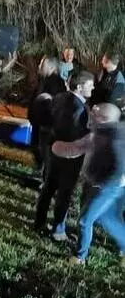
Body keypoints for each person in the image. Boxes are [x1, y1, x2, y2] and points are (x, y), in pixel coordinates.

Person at [50, 103, 125, 265]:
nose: (91, 118)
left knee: (86, 220)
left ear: (104, 119)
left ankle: (79, 257)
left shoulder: (117, 138)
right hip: (94, 183)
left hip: (109, 187)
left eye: (95, 116)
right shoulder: (95, 135)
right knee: (108, 218)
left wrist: (108, 183)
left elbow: (118, 165)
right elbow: (76, 148)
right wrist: (59, 147)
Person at [35, 71, 95, 241]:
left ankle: (39, 222)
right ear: (80, 87)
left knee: (48, 188)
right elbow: (75, 134)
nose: (93, 88)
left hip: (54, 150)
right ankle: (58, 230)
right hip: (70, 156)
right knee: (64, 193)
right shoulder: (79, 109)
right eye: (90, 85)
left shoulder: (59, 97)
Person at [27, 57, 67, 174]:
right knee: (36, 147)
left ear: (51, 67)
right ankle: (41, 170)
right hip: (38, 122)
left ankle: (45, 176)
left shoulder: (56, 82)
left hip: (45, 124)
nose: (39, 67)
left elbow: (53, 104)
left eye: (42, 64)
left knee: (43, 150)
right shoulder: (44, 80)